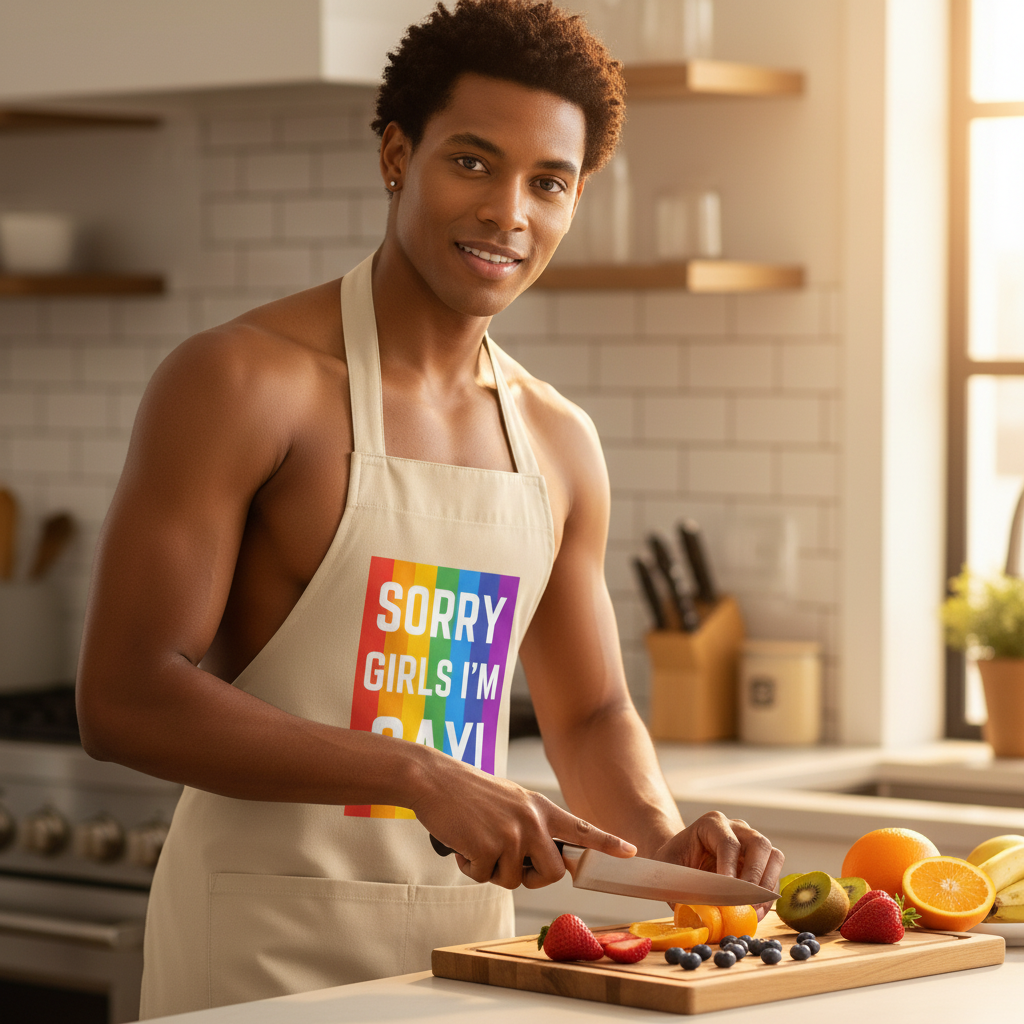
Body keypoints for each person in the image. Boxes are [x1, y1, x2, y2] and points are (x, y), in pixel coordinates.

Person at [77, 0, 784, 1017]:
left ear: (578, 196)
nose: (509, 210)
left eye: (548, 181)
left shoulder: (559, 442)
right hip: (254, 957)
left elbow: (587, 712)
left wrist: (662, 847)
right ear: (397, 155)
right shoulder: (239, 382)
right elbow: (123, 696)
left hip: (463, 966)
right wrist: (421, 772)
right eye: (472, 161)